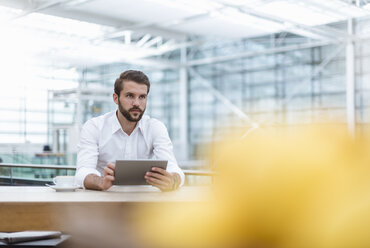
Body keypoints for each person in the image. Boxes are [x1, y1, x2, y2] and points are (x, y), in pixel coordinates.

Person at [75, 70, 184, 191]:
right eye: (129, 96)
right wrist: (101, 182)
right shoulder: (94, 127)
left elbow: (174, 168)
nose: (136, 103)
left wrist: (172, 180)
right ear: (116, 98)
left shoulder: (155, 127)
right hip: (105, 200)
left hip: (143, 202)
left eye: (142, 97)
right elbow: (82, 172)